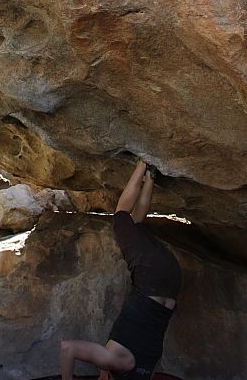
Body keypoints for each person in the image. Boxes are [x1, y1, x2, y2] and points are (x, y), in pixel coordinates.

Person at [60, 160, 181, 380]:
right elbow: (68, 348)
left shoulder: (143, 371)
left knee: (135, 223)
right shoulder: (115, 361)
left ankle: (151, 176)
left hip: (172, 279)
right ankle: (142, 163)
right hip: (151, 274)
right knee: (120, 218)